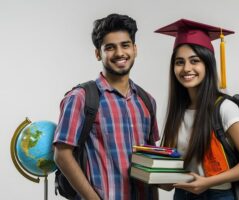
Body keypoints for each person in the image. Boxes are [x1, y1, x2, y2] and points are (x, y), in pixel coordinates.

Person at [53, 13, 159, 200]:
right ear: (97, 53)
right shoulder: (81, 98)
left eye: (125, 45)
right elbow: (62, 155)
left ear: (135, 49)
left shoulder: (147, 101)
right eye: (110, 47)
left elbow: (151, 157)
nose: (119, 53)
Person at [155, 19, 239, 200]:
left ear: (208, 64)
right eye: (179, 62)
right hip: (183, 195)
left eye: (194, 61)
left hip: (219, 195)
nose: (186, 68)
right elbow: (173, 172)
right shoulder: (178, 112)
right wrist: (155, 175)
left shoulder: (224, 108)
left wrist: (207, 182)